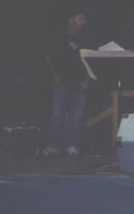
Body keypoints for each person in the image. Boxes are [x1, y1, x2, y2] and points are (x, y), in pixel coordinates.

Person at [42, 8, 91, 157]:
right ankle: (53, 146)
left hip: (79, 84)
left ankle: (72, 145)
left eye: (84, 20)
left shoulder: (85, 40)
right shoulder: (59, 37)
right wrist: (55, 76)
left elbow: (90, 61)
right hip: (62, 83)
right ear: (71, 19)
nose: (83, 22)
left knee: (76, 117)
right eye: (80, 18)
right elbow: (49, 57)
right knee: (57, 115)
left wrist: (87, 80)